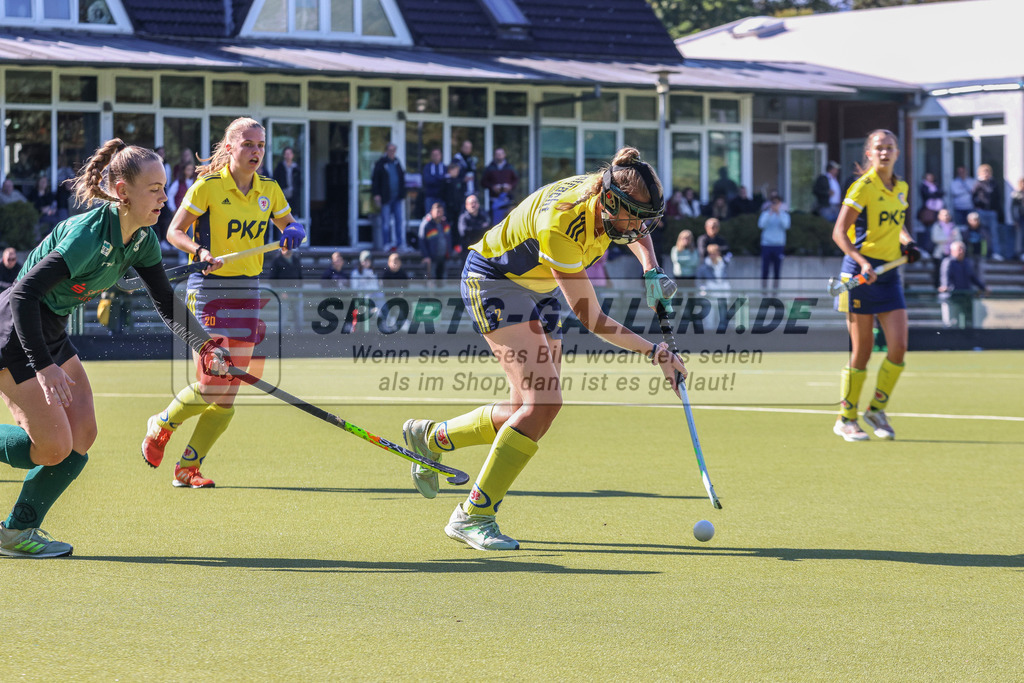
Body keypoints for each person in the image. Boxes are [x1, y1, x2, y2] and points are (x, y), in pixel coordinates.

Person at [399, 147, 685, 551]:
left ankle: (433, 438)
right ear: (609, 203)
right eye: (634, 217)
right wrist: (656, 353)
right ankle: (473, 515)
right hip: (495, 280)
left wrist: (650, 267)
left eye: (647, 218)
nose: (640, 227)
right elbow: (592, 318)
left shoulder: (611, 198)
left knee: (527, 410)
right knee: (544, 403)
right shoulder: (563, 223)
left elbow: (639, 232)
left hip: (537, 286)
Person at [0, 139, 229, 557]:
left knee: (81, 437)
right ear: (123, 192)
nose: (165, 196)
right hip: (17, 330)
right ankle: (15, 532)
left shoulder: (142, 240)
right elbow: (23, 294)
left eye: (164, 188)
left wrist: (206, 346)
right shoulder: (89, 235)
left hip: (50, 330)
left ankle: (15, 532)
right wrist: (44, 367)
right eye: (154, 189)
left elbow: (164, 301)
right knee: (52, 447)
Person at [142, 117, 302, 488]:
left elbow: (288, 225)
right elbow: (173, 231)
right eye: (247, 144)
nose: (256, 152)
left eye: (260, 145)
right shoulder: (208, 187)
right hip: (210, 289)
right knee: (214, 382)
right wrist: (200, 250)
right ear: (229, 147)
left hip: (249, 290)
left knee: (228, 393)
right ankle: (163, 422)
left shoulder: (270, 189)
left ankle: (187, 468)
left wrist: (293, 231)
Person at [831, 129, 921, 442]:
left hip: (889, 275)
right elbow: (840, 233)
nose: (885, 153)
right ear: (869, 154)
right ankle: (846, 418)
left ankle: (876, 409)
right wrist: (863, 262)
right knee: (863, 351)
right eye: (879, 148)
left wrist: (907, 242)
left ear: (897, 153)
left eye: (890, 148)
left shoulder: (901, 187)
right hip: (860, 274)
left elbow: (895, 225)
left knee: (898, 347)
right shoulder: (862, 186)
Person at [939, 241, 988, 328]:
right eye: (959, 249)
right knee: (952, 323)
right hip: (952, 298)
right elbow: (945, 278)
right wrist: (946, 287)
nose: (961, 251)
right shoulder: (948, 262)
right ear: (952, 251)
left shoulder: (967, 262)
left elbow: (973, 277)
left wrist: (983, 287)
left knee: (968, 322)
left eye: (962, 249)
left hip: (966, 297)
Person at [370, 143, 407, 251]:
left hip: (397, 198)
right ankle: (386, 243)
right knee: (386, 222)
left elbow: (401, 178)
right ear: (386, 151)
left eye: (394, 150)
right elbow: (375, 180)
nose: (392, 152)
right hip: (386, 197)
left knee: (399, 221)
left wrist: (403, 193)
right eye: (390, 150)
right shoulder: (381, 163)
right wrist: (376, 194)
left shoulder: (397, 162)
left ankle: (400, 244)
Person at [758, 192, 790, 288]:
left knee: (777, 270)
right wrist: (770, 213)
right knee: (765, 270)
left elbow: (786, 226)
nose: (775, 205)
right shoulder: (765, 214)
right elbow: (761, 225)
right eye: (773, 202)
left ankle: (775, 292)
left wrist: (778, 214)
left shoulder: (784, 215)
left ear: (780, 203)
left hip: (778, 245)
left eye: (777, 202)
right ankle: (763, 292)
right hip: (766, 245)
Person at [268, 245, 303, 332]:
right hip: (284, 293)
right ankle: (281, 334)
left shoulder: (296, 259)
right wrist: (280, 292)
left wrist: (299, 289)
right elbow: (272, 279)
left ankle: (300, 335)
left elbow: (300, 276)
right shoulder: (276, 261)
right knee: (284, 315)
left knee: (298, 315)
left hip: (296, 292)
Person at [972, 164, 1003, 261]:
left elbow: (998, 197)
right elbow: (973, 197)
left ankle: (996, 253)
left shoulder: (993, 183)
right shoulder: (978, 184)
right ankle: (984, 253)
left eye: (987, 172)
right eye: (984, 172)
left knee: (994, 234)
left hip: (992, 212)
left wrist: (996, 209)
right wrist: (978, 207)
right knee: (983, 234)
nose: (986, 174)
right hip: (982, 212)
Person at [481, 147, 518, 225]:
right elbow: (483, 182)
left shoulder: (510, 167)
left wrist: (510, 186)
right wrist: (492, 187)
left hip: (507, 199)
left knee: (509, 221)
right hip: (494, 199)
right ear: (494, 156)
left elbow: (516, 180)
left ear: (504, 155)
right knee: (496, 223)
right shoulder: (490, 168)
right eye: (497, 154)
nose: (499, 156)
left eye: (501, 154)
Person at [419, 201, 452, 282]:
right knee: (431, 282)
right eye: (437, 211)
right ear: (431, 211)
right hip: (431, 259)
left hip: (444, 258)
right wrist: (426, 256)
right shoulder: (426, 224)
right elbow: (421, 241)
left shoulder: (445, 224)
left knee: (443, 282)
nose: (439, 214)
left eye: (441, 212)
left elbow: (449, 239)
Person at [930, 209, 961, 287]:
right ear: (939, 216)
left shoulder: (953, 226)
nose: (946, 216)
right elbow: (935, 238)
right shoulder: (937, 226)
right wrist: (949, 238)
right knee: (939, 273)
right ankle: (937, 290)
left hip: (952, 255)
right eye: (944, 215)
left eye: (947, 214)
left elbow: (958, 239)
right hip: (940, 254)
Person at [273, 146, 302, 218]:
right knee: (282, 214)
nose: (288, 156)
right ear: (284, 155)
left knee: (294, 214)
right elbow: (276, 179)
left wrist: (296, 190)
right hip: (282, 193)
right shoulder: (280, 167)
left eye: (289, 154)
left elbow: (299, 182)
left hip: (293, 195)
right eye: (286, 154)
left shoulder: (296, 168)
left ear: (292, 155)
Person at [421, 148, 447, 221]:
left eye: (437, 155)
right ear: (431, 156)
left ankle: (441, 233)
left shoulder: (444, 167)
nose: (436, 157)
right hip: (430, 196)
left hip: (442, 197)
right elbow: (428, 180)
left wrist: (435, 178)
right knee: (429, 218)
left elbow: (446, 180)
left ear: (440, 156)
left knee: (442, 219)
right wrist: (440, 178)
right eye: (434, 155)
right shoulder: (427, 167)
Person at [1011, 177, 1024, 261]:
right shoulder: (1016, 194)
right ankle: (1019, 253)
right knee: (1019, 236)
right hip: (1020, 218)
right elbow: (1012, 208)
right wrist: (1015, 219)